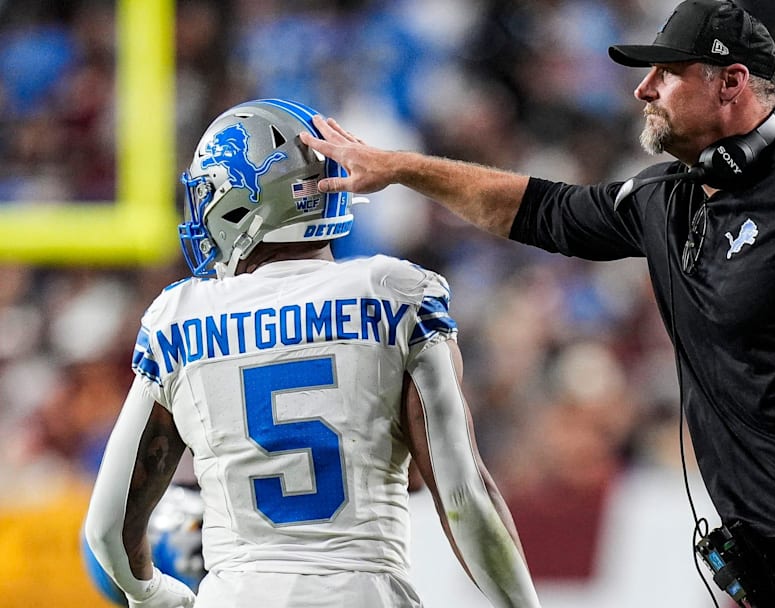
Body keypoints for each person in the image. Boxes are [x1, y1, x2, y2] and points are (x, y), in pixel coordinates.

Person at [299, 1, 775, 606]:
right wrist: (403, 168)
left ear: (731, 82)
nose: (642, 89)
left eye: (666, 74)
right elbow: (541, 209)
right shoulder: (666, 199)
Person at [84, 98, 542, 608]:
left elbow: (107, 531)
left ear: (242, 203)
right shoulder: (392, 292)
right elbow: (463, 498)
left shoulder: (179, 318)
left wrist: (155, 596)